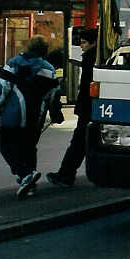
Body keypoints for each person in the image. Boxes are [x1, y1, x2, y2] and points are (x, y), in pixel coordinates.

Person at [0, 35, 63, 199]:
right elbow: (53, 96)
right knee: (29, 148)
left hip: (13, 114)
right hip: (36, 116)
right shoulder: (49, 69)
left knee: (6, 145)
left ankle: (25, 174)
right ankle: (30, 184)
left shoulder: (13, 63)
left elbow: (2, 89)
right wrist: (56, 114)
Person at [47, 28, 97, 187]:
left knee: (78, 142)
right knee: (84, 142)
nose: (81, 46)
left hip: (87, 108)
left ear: (93, 43)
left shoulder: (90, 59)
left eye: (84, 42)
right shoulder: (95, 57)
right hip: (90, 107)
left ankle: (66, 175)